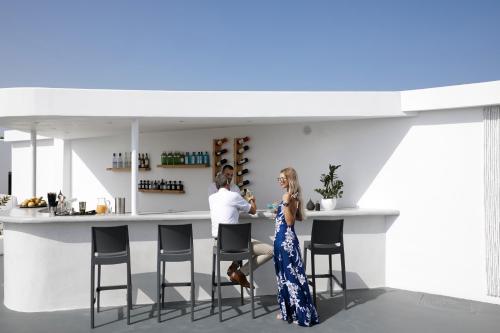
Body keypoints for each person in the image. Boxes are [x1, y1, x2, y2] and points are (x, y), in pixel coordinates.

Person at [209, 173, 273, 288]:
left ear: (217, 186)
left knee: (240, 242)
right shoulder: (234, 195)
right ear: (228, 183)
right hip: (237, 245)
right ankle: (240, 273)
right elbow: (253, 211)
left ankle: (234, 266)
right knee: (271, 251)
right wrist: (252, 200)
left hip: (219, 244)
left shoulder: (211, 198)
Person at [274, 167, 319, 326]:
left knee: (292, 278)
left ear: (289, 179)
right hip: (282, 242)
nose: (280, 181)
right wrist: (280, 208)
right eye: (278, 179)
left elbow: (290, 222)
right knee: (284, 278)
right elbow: (298, 217)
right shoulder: (292, 196)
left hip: (286, 243)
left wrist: (285, 202)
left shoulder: (288, 196)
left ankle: (303, 315)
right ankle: (288, 312)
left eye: (282, 178)